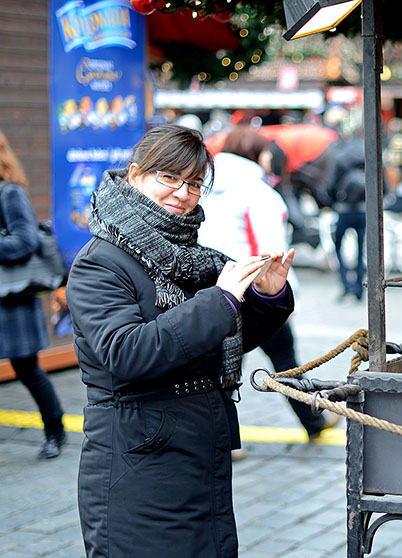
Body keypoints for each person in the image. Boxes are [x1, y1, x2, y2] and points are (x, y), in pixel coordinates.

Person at [66, 124, 295, 557]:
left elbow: (215, 337)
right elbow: (126, 353)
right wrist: (220, 300)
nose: (182, 193)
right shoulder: (99, 262)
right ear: (136, 175)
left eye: (193, 183)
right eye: (168, 177)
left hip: (199, 450)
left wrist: (267, 295)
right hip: (137, 459)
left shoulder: (188, 257)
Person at [198, 125, 339, 445]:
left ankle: (227, 440)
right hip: (255, 293)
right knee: (284, 362)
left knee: (223, 370)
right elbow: (273, 253)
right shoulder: (260, 194)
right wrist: (283, 298)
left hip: (214, 290)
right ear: (258, 155)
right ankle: (309, 420)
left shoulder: (204, 187)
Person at [0, 129, 66, 460]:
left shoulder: (10, 192)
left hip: (9, 298)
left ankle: (55, 430)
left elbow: (25, 242)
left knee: (27, 368)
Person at [324, 136, 367, 301]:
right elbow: (383, 185)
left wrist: (332, 200)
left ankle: (345, 284)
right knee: (361, 250)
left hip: (343, 209)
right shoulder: (369, 155)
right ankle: (359, 288)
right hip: (364, 209)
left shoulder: (340, 156)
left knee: (338, 246)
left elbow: (330, 184)